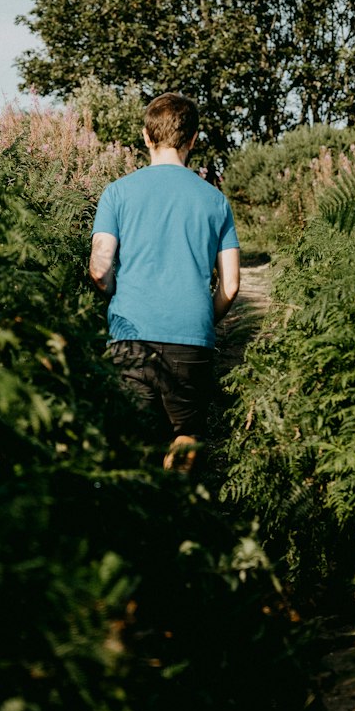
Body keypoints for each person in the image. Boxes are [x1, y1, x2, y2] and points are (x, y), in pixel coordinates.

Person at [89, 92, 240, 470]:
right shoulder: (216, 201)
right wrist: (205, 318)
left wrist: (118, 297)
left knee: (132, 443)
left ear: (145, 136)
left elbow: (99, 267)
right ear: (192, 139)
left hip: (130, 334)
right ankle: (177, 507)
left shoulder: (117, 193)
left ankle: (141, 518)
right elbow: (232, 285)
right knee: (185, 433)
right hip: (191, 336)